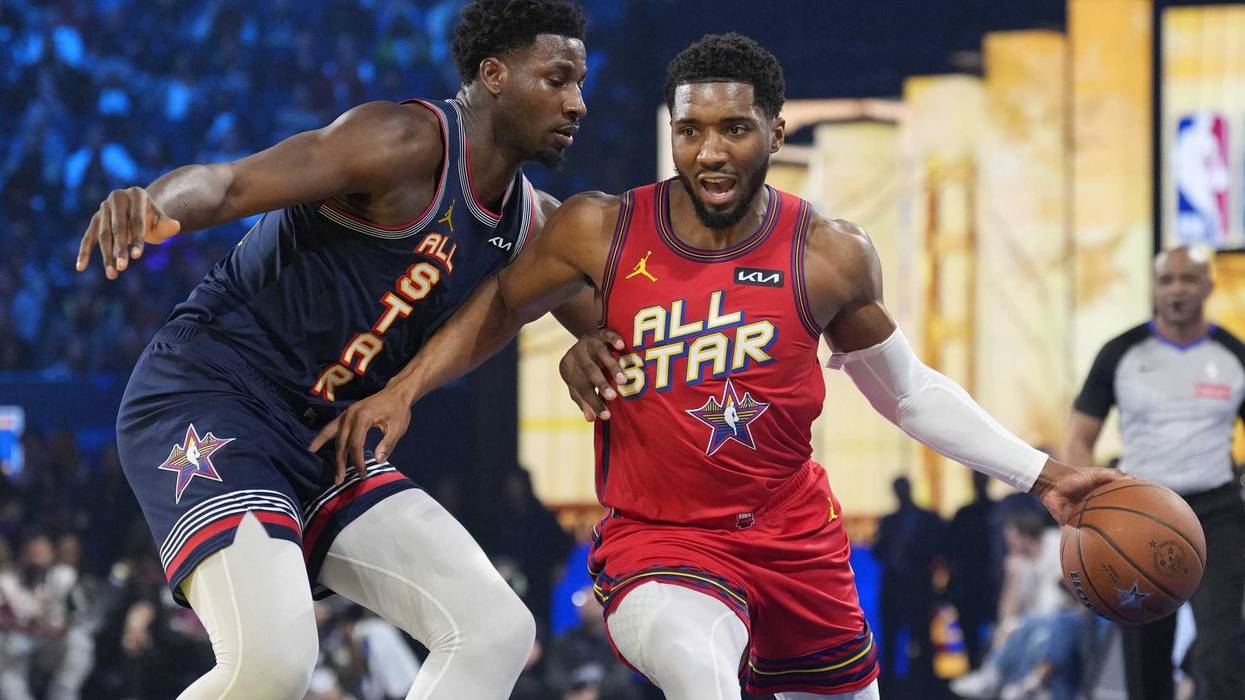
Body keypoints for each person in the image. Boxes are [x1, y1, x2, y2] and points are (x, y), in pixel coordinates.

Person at [316, 33, 1123, 700]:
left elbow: (908, 394)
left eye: (732, 130)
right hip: (659, 543)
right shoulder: (600, 228)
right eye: (689, 130)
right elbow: (497, 305)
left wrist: (1042, 474)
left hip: (797, 544)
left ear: (774, 133)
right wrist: (404, 388)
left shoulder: (829, 253)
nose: (707, 151)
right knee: (706, 681)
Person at [73, 1, 593, 697]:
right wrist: (151, 202)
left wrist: (589, 350)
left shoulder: (534, 225)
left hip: (326, 435)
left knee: (495, 627)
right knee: (272, 662)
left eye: (581, 83)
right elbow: (230, 183)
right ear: (493, 75)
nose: (577, 103)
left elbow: (626, 330)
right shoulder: (401, 141)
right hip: (212, 393)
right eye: (557, 79)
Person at [1064, 246, 1245, 700]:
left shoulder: (1233, 354)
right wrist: (1088, 512)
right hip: (1139, 513)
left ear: (1208, 285)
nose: (1177, 290)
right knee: (1145, 656)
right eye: (1166, 280)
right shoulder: (1120, 352)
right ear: (1154, 288)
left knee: (1222, 650)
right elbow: (1079, 437)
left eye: (1188, 279)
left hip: (1217, 513)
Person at [873, 476, 943, 691]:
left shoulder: (927, 519)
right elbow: (877, 551)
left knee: (922, 638)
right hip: (894, 591)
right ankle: (890, 687)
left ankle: (928, 685)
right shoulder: (889, 522)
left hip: (918, 589)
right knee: (891, 640)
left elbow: (936, 550)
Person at [944, 471, 1001, 669]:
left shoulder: (995, 511)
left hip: (989, 586)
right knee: (972, 639)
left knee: (996, 636)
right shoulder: (967, 514)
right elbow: (950, 553)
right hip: (971, 586)